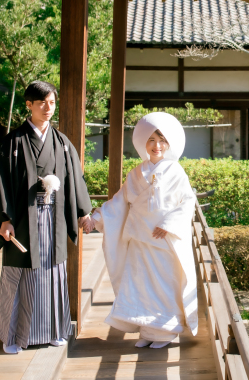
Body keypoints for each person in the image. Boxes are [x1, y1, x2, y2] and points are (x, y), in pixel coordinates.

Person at [0, 81, 92, 354]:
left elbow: (75, 180)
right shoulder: (14, 142)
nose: (47, 108)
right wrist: (4, 219)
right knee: (19, 274)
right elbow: (1, 181)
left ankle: (55, 330)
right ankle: (13, 336)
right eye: (41, 102)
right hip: (22, 219)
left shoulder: (63, 143)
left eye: (52, 102)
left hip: (53, 217)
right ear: (29, 104)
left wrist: (83, 212)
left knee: (53, 273)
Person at [81, 112, 198, 349]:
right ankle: (147, 330)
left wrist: (169, 224)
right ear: (144, 142)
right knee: (140, 285)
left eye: (162, 140)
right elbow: (119, 202)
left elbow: (187, 202)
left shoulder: (176, 172)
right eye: (152, 140)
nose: (157, 146)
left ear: (169, 144)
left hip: (163, 240)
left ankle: (165, 332)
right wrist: (96, 218)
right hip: (139, 239)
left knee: (165, 285)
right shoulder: (136, 172)